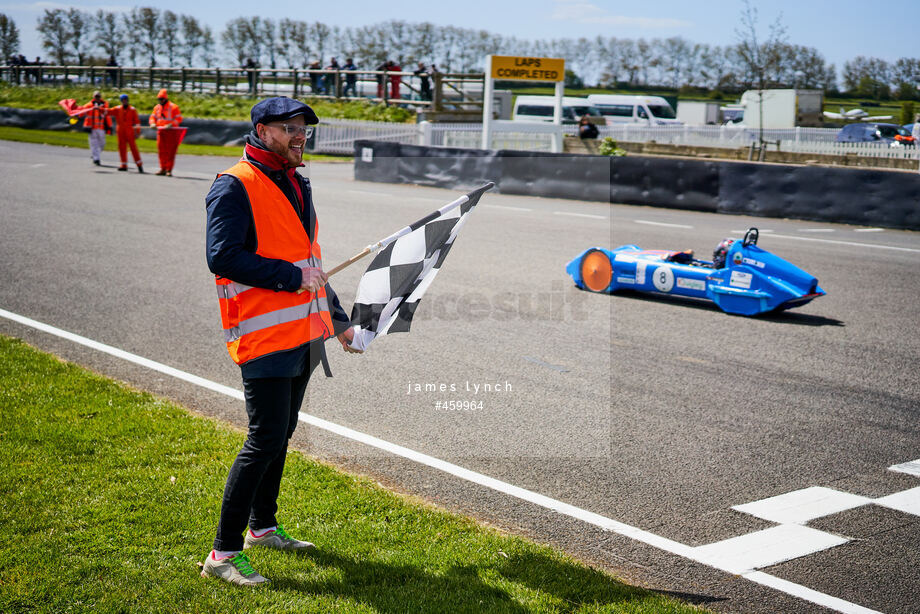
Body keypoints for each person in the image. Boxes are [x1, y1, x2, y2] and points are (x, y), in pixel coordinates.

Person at [202, 96, 362, 586]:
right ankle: (222, 555)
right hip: (264, 335)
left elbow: (309, 257)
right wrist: (292, 277)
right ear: (262, 129)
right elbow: (222, 256)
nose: (299, 136)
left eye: (304, 128)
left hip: (304, 335)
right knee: (264, 438)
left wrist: (338, 322)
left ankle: (262, 528)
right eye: (289, 127)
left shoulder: (298, 182)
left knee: (281, 434)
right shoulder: (233, 185)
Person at [149, 89, 183, 176]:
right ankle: (162, 168)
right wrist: (152, 123)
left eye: (162, 99)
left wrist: (171, 124)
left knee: (170, 151)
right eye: (159, 99)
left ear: (165, 98)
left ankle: (169, 169)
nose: (160, 101)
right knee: (161, 151)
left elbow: (179, 119)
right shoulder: (157, 107)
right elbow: (152, 117)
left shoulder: (173, 107)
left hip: (171, 133)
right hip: (161, 132)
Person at [108, 94, 143, 173]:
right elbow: (108, 111)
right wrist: (99, 109)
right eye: (123, 100)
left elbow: (137, 122)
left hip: (129, 131)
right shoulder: (117, 109)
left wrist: (137, 132)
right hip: (120, 131)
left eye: (125, 99)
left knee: (133, 148)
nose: (124, 101)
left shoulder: (132, 110)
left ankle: (139, 165)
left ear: (128, 100)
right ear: (121, 101)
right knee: (122, 148)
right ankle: (123, 165)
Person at [79, 91, 112, 167]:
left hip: (101, 128)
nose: (97, 98)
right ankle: (96, 159)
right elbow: (81, 112)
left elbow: (107, 115)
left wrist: (109, 126)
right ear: (93, 97)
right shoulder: (88, 105)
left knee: (102, 144)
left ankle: (95, 154)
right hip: (92, 128)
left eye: (98, 96)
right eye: (96, 96)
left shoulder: (105, 105)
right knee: (94, 144)